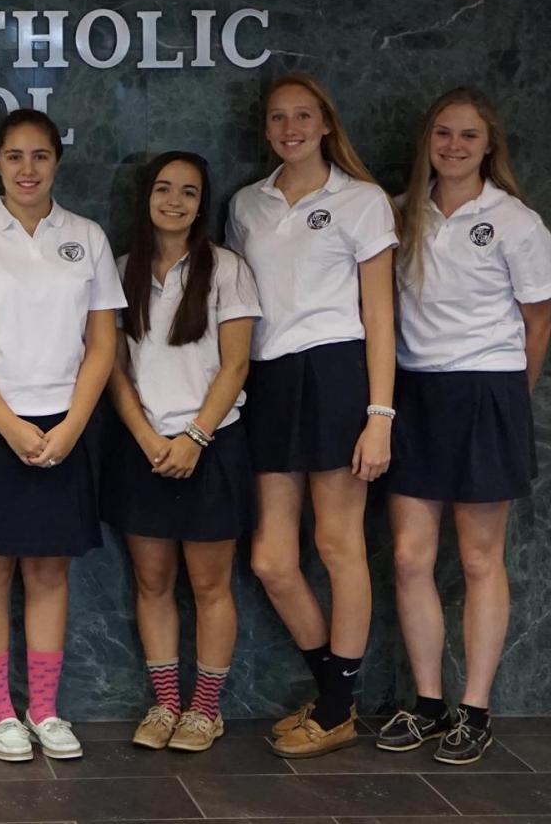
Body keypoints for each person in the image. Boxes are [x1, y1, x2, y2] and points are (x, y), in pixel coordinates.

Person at [0, 108, 125, 763]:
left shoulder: (87, 237)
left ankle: (44, 708)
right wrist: (10, 424)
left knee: (49, 567)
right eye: (14, 156)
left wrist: (71, 425)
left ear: (57, 161)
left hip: (65, 424)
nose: (27, 169)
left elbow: (102, 343)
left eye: (40, 155)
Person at [377, 87, 551, 765]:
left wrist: (508, 399)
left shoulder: (514, 221)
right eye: (443, 133)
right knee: (409, 557)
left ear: (489, 146)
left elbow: (539, 320)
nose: (453, 146)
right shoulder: (399, 213)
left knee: (480, 559)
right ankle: (428, 704)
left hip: (487, 390)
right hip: (414, 392)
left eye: (468, 136)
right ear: (427, 141)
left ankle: (475, 709)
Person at [227, 73, 397, 759]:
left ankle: (332, 709)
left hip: (336, 374)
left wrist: (379, 414)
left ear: (326, 123)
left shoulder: (361, 200)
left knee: (337, 543)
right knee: (271, 558)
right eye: (278, 118)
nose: (290, 128)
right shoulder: (246, 204)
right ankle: (337, 697)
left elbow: (381, 315)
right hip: (268, 378)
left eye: (303, 116)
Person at [104, 151, 260, 754]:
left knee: (210, 584)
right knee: (152, 581)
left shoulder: (226, 269)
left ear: (202, 204)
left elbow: (236, 364)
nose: (174, 201)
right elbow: (113, 368)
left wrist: (195, 437)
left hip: (212, 446)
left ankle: (205, 710)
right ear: (146, 197)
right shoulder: (120, 271)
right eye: (164, 189)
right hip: (143, 447)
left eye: (189, 192)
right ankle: (168, 703)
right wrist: (148, 438)